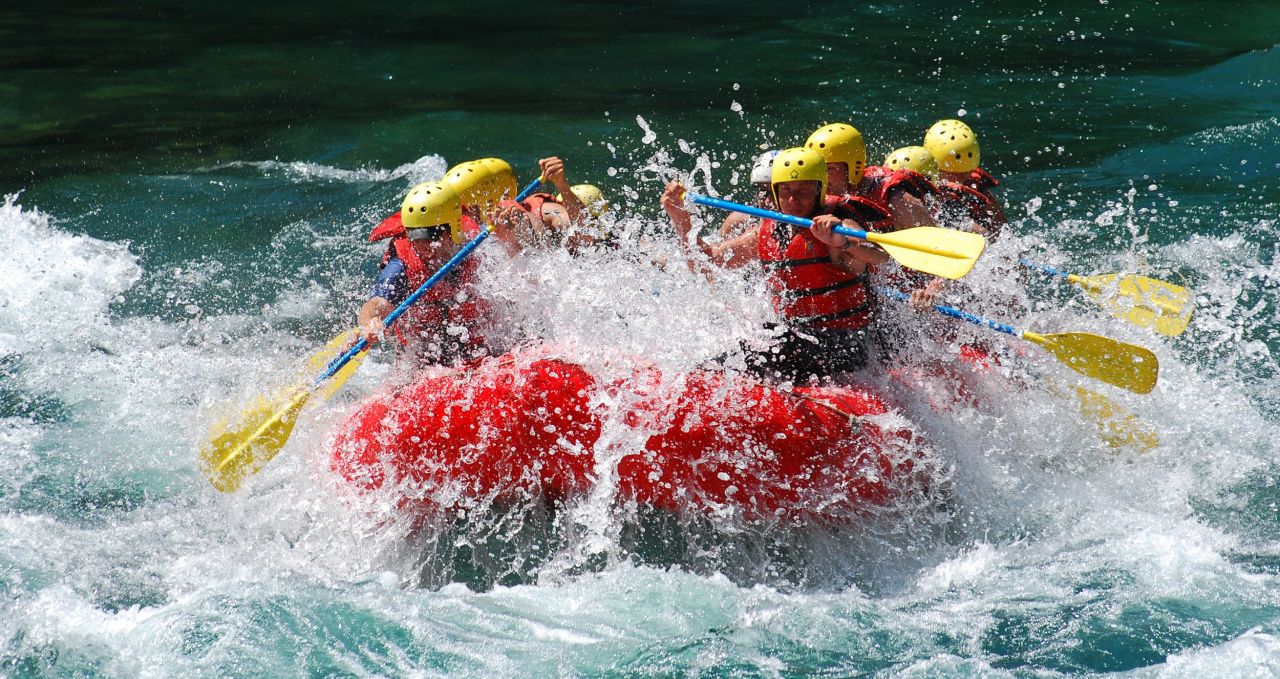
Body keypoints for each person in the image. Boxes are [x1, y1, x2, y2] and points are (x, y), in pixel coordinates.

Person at [661, 147, 890, 382]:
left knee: (770, 343)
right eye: (786, 191)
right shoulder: (766, 230)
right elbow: (707, 262)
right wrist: (681, 219)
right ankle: (706, 379)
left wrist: (843, 242)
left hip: (846, 345)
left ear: (820, 191)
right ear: (774, 191)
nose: (793, 200)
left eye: (803, 191)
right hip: (800, 340)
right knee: (765, 338)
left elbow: (880, 255)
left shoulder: (837, 226)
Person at [355, 181, 496, 367]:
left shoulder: (477, 243)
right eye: (415, 236)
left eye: (431, 235)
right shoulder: (401, 266)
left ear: (453, 229)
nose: (422, 244)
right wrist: (369, 323)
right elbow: (378, 303)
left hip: (478, 339)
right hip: (427, 351)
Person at [805, 123, 944, 307]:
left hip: (907, 285)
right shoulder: (812, 194)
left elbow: (939, 248)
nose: (822, 178)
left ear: (853, 167)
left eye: (829, 169)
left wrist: (933, 289)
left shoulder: (896, 198)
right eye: (818, 169)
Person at [485, 156, 592, 253]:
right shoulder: (547, 209)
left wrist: (562, 186)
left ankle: (515, 241)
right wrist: (562, 186)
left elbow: (586, 231)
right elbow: (585, 230)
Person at [923, 119, 1007, 240]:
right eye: (952, 174)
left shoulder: (975, 186)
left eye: (965, 173)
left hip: (967, 234)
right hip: (936, 227)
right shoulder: (920, 181)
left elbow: (1001, 224)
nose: (959, 180)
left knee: (984, 232)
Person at [717, 150, 778, 240]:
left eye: (774, 192)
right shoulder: (738, 221)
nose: (768, 201)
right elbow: (712, 252)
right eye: (762, 192)